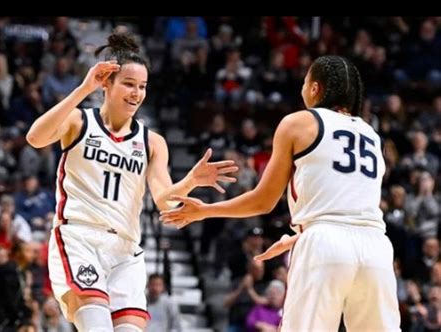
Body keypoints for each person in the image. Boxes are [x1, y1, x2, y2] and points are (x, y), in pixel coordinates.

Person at [161, 55, 401, 331]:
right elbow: (349, 204)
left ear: (315, 88)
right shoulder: (372, 135)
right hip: (377, 250)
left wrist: (205, 210)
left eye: (305, 81)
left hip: (324, 243)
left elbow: (264, 201)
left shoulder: (299, 123)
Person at [26, 32, 238, 332]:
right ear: (106, 84)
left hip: (126, 250)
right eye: (128, 84)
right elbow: (34, 138)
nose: (136, 93)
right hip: (80, 238)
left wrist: (190, 180)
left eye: (142, 87)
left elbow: (166, 200)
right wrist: (83, 88)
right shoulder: (79, 121)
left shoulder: (152, 142)